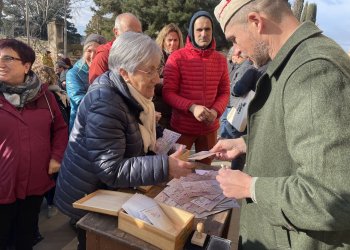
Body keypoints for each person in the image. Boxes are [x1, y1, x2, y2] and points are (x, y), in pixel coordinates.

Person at [212, 0, 350, 249]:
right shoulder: (292, 63)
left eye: (234, 39)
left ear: (256, 22)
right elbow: (297, 133)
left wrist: (249, 187)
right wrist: (245, 144)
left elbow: (333, 196)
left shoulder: (314, 71)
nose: (237, 51)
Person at [54, 32, 195, 250]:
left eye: (158, 69)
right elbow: (110, 169)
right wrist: (165, 165)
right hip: (88, 197)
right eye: (149, 70)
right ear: (124, 73)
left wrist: (169, 144)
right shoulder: (105, 102)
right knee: (93, 242)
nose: (157, 79)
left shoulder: (132, 94)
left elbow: (138, 128)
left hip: (109, 193)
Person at [0, 39, 68, 250]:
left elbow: (60, 128)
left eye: (8, 58)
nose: (1, 63)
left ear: (26, 66)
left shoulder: (45, 97)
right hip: (3, 182)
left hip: (35, 181)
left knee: (25, 236)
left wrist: (57, 156)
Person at [163, 11, 230, 165]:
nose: (203, 34)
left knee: (204, 174)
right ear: (192, 32)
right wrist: (192, 107)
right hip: (182, 128)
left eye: (207, 29)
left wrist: (215, 111)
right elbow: (168, 93)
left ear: (212, 31)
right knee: (178, 172)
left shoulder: (220, 59)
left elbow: (224, 92)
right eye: (199, 30)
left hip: (209, 129)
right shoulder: (177, 57)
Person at [66, 33, 107, 132]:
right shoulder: (73, 74)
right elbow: (79, 100)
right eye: (89, 51)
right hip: (81, 126)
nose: (93, 56)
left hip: (103, 125)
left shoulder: (107, 72)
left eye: (97, 52)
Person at [88, 13, 142, 84]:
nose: (134, 38)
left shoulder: (141, 54)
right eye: (129, 33)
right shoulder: (104, 56)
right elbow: (97, 92)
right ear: (116, 32)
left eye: (138, 34)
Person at [154, 23, 184, 129]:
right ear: (163, 40)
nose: (173, 44)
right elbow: (151, 81)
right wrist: (168, 82)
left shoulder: (183, 58)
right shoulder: (156, 57)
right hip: (160, 110)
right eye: (169, 40)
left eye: (175, 40)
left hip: (178, 110)